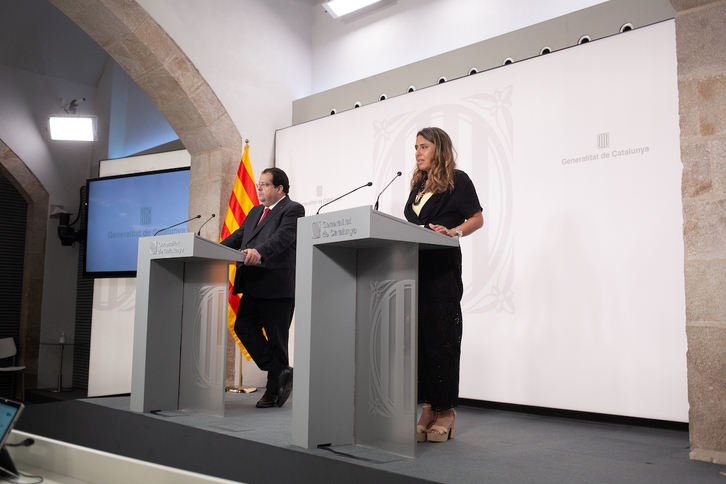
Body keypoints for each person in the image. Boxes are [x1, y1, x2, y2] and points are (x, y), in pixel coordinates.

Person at [403, 127, 484, 442]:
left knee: (443, 339)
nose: (418, 153)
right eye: (415, 147)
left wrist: (455, 232)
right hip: (415, 267)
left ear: (439, 149)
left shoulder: (457, 180)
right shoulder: (417, 184)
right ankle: (427, 408)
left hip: (442, 270)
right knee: (420, 340)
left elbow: (476, 218)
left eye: (424, 147)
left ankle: (446, 411)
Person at [221, 167, 305, 408]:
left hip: (277, 285)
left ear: (279, 188)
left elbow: (282, 238)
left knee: (277, 340)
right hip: (252, 282)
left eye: (265, 185)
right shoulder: (256, 210)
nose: (259, 188)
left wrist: (260, 251)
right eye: (259, 184)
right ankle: (280, 371)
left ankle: (273, 392)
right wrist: (210, 249)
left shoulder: (293, 209)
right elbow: (238, 236)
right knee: (243, 327)